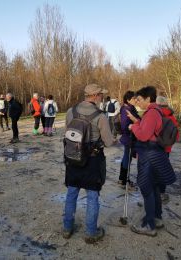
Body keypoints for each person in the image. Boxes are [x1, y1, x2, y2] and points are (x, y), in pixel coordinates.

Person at [62, 84, 116, 244]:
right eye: (101, 95)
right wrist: (114, 139)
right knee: (92, 196)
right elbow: (108, 142)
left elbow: (68, 134)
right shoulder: (101, 116)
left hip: (73, 158)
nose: (102, 98)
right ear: (95, 96)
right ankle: (91, 232)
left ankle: (67, 228)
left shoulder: (71, 111)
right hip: (92, 161)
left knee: (72, 193)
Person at [127, 86, 176, 237]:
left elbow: (143, 135)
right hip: (156, 153)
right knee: (154, 186)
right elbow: (149, 130)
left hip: (149, 154)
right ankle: (157, 217)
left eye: (140, 100)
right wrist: (137, 122)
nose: (138, 103)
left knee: (146, 188)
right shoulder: (157, 111)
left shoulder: (151, 113)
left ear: (148, 99)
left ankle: (149, 225)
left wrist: (133, 126)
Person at [156, 95, 179, 203]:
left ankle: (152, 191)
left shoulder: (154, 115)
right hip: (166, 148)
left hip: (154, 147)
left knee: (153, 169)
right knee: (163, 170)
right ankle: (161, 193)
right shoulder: (172, 117)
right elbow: (176, 136)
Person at [118, 91, 140, 189]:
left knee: (127, 157)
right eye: (134, 98)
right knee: (127, 158)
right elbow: (124, 126)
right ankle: (124, 181)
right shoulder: (126, 110)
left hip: (131, 137)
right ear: (128, 100)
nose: (136, 100)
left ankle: (122, 179)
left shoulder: (131, 108)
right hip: (129, 138)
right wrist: (131, 127)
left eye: (136, 98)